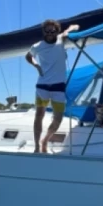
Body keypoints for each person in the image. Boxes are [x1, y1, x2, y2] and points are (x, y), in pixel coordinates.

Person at [25, 19, 80, 153]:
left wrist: (72, 29)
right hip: (42, 85)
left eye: (53, 31)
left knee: (58, 119)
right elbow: (28, 56)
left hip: (58, 87)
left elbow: (75, 26)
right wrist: (36, 65)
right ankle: (37, 146)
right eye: (47, 31)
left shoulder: (61, 40)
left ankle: (45, 140)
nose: (49, 33)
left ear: (57, 31)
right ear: (43, 31)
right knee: (39, 115)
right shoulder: (37, 46)